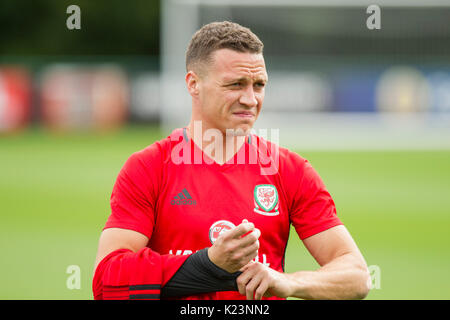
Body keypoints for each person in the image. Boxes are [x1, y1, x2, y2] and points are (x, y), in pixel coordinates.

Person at [92, 21, 371, 300]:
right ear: (193, 84)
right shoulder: (149, 167)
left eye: (258, 85)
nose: (250, 99)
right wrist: (208, 264)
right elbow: (107, 282)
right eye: (235, 84)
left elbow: (357, 276)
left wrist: (290, 282)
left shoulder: (289, 170)